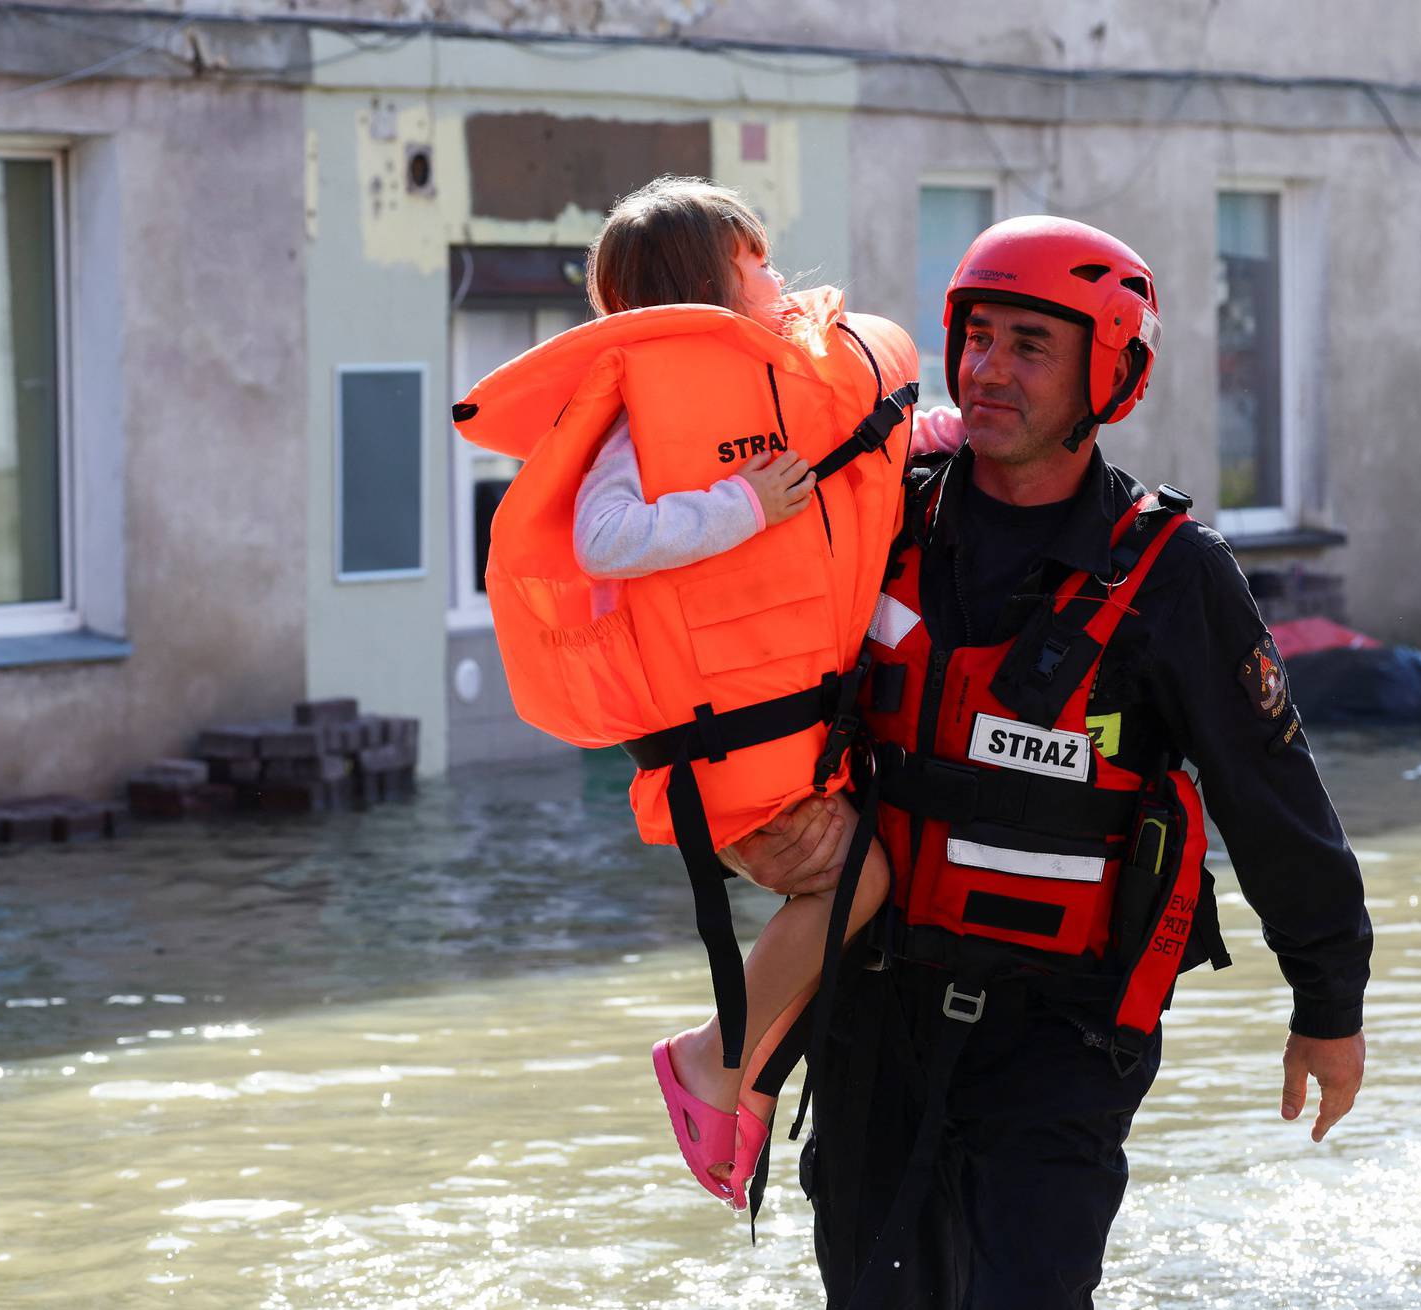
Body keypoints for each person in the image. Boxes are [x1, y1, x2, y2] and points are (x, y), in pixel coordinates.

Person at [722, 215, 1372, 1306]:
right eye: (976, 338)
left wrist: (1329, 1001)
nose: (988, 369)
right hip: (872, 1016)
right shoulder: (880, 520)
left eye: (1030, 345)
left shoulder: (1174, 579)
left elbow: (1274, 804)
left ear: (1108, 371)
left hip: (1062, 1036)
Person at [452, 177, 963, 1210]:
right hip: (736, 761)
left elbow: (852, 472)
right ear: (707, 288)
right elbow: (605, 535)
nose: (780, 278)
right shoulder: (645, 416)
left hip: (794, 738)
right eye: (758, 262)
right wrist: (741, 503)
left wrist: (944, 439)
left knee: (873, 881)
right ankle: (711, 1061)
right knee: (858, 882)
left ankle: (751, 1074)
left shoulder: (779, 390)